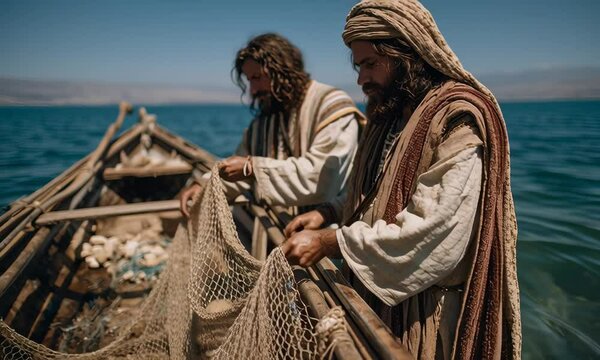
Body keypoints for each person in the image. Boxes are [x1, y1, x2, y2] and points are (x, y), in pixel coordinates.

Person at [282, 1, 521, 359]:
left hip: (428, 318)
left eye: (370, 64)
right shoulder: (390, 114)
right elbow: (374, 189)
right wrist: (328, 212)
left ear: (407, 54)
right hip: (377, 296)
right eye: (358, 66)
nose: (361, 79)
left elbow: (434, 232)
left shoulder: (457, 119)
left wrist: (332, 242)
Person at [180, 33, 363, 253]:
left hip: (328, 239)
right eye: (249, 81)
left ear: (282, 70)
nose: (253, 90)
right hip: (282, 232)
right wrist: (203, 184)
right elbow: (237, 171)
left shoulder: (331, 106)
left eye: (257, 77)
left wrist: (252, 167)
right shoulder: (265, 119)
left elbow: (321, 176)